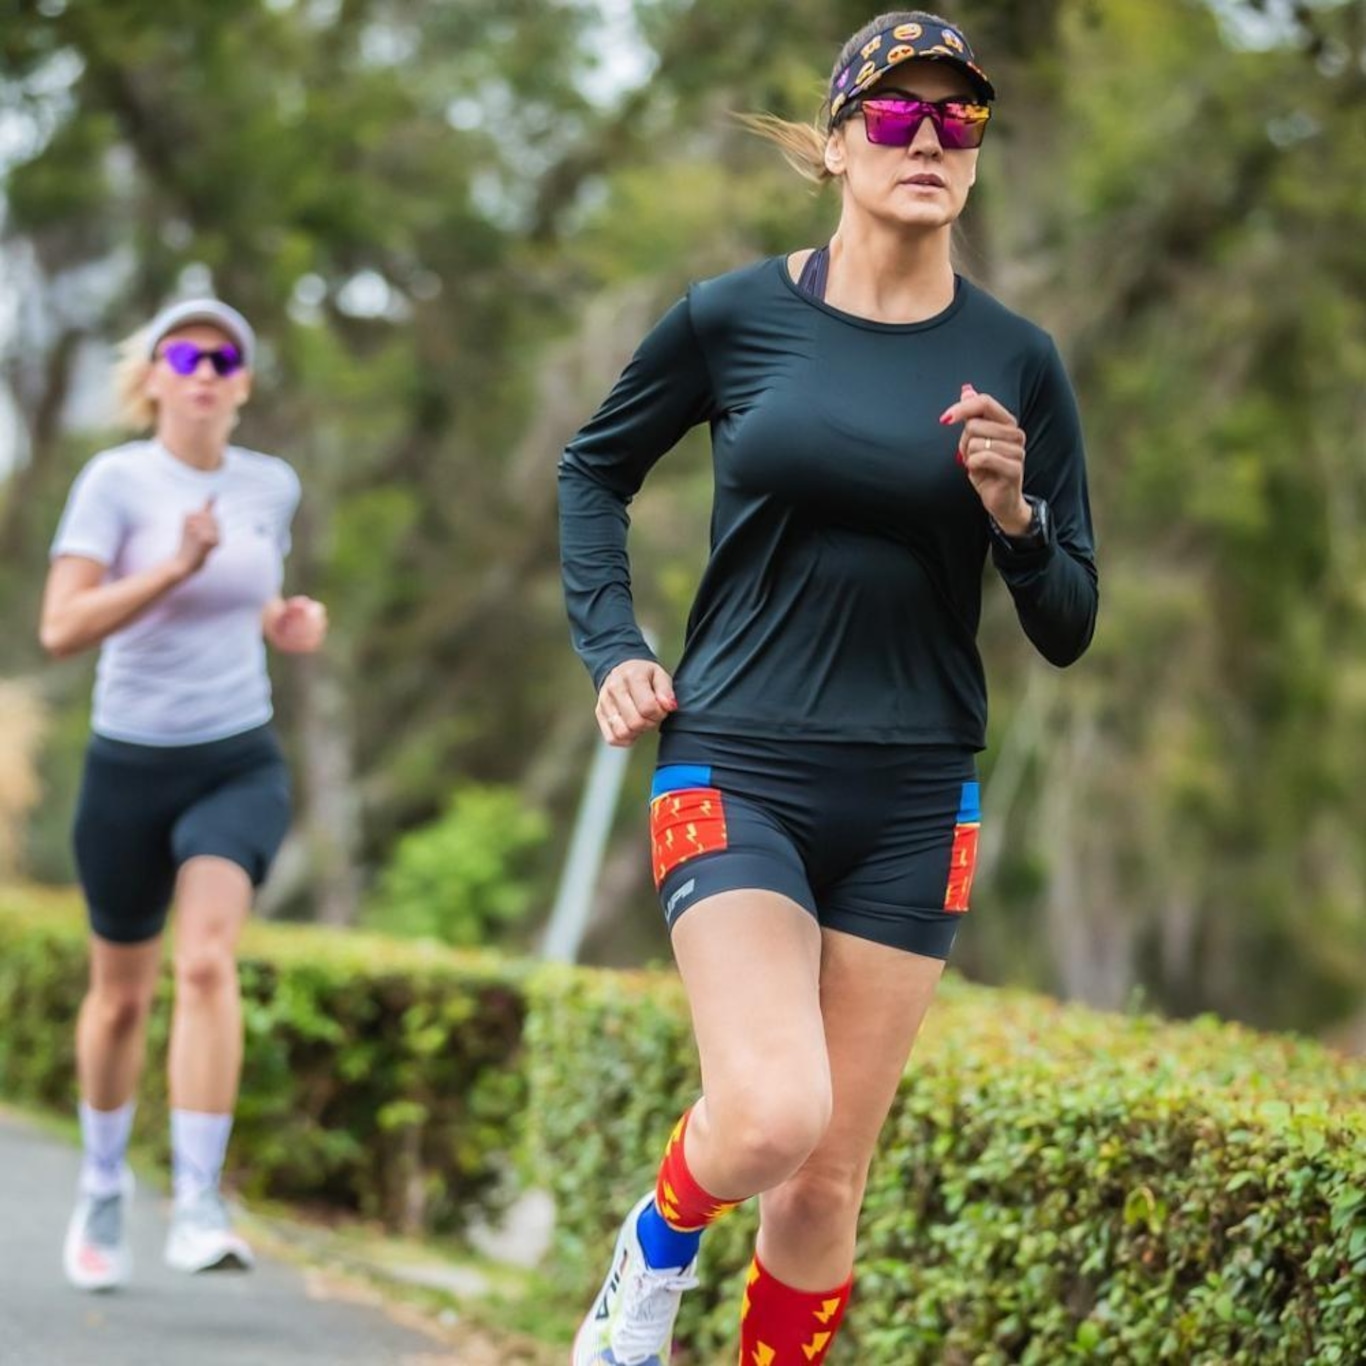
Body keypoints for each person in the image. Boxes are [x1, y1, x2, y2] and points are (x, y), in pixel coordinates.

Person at [558, 11, 1097, 1363]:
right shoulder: (735, 316)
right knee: (765, 1116)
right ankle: (655, 1247)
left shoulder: (1018, 360)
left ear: (977, 152)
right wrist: (614, 645)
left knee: (822, 1183)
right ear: (839, 142)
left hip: (917, 795)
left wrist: (1013, 513)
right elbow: (591, 470)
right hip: (736, 761)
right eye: (900, 116)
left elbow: (1070, 617)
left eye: (957, 118)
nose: (930, 140)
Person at [41, 298, 328, 1291]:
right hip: (129, 764)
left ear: (242, 384)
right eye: (185, 352)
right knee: (120, 999)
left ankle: (200, 1199)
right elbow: (60, 628)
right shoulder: (114, 482)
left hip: (234, 756)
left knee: (205, 963)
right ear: (156, 376)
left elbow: (257, 600)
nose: (205, 368)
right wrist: (173, 565)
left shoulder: (270, 485)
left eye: (225, 355)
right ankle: (103, 1183)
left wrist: (286, 621)